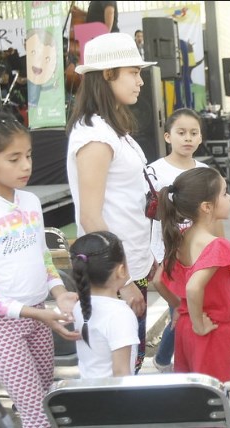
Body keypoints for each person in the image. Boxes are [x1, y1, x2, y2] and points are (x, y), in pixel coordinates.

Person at [0, 112, 80, 427]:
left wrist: (60, 294)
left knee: (48, 400)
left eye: (29, 156)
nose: (26, 166)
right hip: (0, 326)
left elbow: (43, 258)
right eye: (14, 158)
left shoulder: (30, 202)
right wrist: (36, 314)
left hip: (38, 315)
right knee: (36, 415)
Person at [66, 32, 157, 374]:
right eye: (133, 72)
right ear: (107, 75)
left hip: (127, 268)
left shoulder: (111, 128)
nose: (140, 82)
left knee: (130, 364)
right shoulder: (94, 134)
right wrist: (126, 282)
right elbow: (91, 216)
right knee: (120, 374)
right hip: (113, 277)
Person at [156, 167, 230, 383]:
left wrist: (179, 308)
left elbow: (158, 280)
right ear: (206, 207)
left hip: (185, 327)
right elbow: (193, 287)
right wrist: (199, 324)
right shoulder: (215, 246)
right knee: (213, 393)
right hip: (210, 330)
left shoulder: (182, 237)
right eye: (224, 193)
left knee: (192, 394)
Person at [148, 108, 211, 373]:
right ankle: (165, 359)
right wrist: (152, 254)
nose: (188, 138)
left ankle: (165, 358)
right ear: (167, 136)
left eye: (194, 133)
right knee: (182, 304)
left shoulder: (206, 171)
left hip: (197, 251)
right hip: (166, 250)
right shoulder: (153, 171)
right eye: (181, 133)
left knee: (187, 305)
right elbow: (149, 215)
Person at [70, 231, 140, 379]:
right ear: (122, 270)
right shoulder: (120, 315)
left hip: (86, 391)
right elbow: (121, 373)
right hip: (112, 398)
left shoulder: (79, 305)